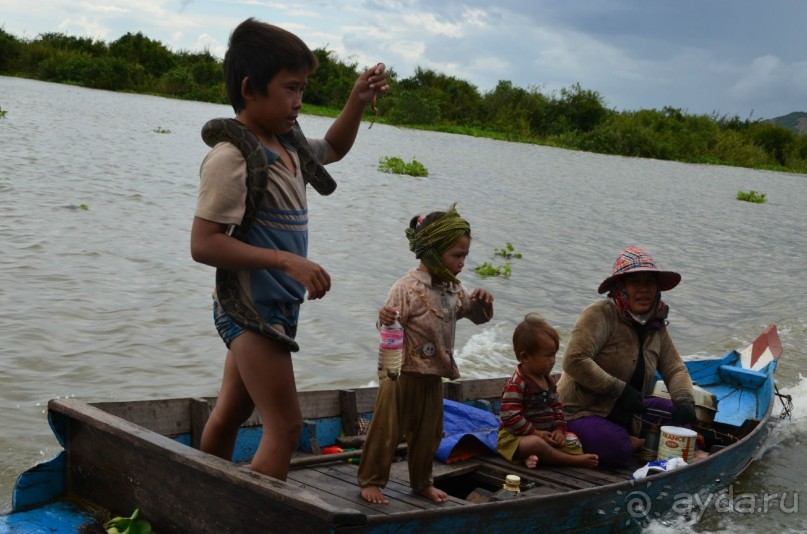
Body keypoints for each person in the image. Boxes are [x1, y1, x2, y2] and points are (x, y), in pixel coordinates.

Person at [190, 18, 388, 481]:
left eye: (302, 89)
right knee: (286, 425)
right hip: (250, 307)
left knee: (229, 415)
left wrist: (357, 100)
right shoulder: (231, 157)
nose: (299, 101)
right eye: (290, 88)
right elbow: (203, 244)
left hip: (276, 305)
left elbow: (335, 147)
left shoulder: (288, 146)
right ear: (249, 88)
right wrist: (285, 260)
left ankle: (200, 489)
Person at [358, 205, 495, 504]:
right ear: (432, 252)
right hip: (401, 374)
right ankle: (371, 480)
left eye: (464, 256)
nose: (461, 263)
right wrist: (383, 317)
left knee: (429, 433)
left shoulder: (454, 290)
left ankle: (422, 481)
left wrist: (484, 303)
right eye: (456, 256)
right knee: (387, 430)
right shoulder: (406, 289)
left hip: (433, 374)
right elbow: (387, 326)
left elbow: (477, 316)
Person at [556, 247, 697, 468]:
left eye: (649, 283)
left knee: (682, 420)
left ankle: (641, 440)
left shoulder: (655, 325)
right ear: (620, 288)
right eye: (635, 283)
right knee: (618, 449)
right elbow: (575, 360)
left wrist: (684, 399)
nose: (643, 290)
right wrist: (619, 390)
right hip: (579, 413)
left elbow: (675, 368)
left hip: (628, 414)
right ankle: (639, 442)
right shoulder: (600, 314)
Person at [497, 314, 599, 469]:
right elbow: (510, 415)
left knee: (573, 442)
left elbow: (556, 407)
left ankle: (535, 457)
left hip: (546, 434)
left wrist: (559, 430)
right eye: (548, 356)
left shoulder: (548, 380)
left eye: (554, 355)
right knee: (535, 444)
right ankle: (571, 461)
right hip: (516, 438)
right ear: (525, 357)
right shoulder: (517, 383)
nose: (553, 360)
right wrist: (535, 433)